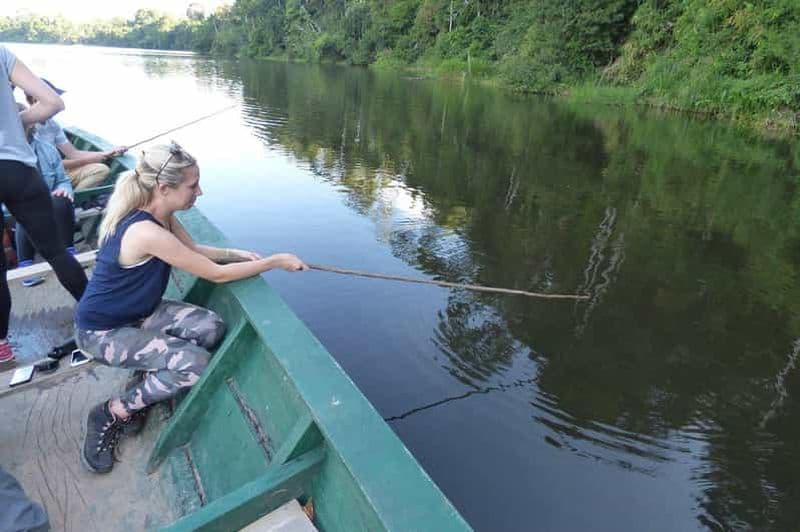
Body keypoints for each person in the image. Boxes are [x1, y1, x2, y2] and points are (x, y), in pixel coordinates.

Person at [75, 141, 308, 474]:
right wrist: (274, 262)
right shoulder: (145, 231)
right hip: (101, 333)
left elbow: (195, 249)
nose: (200, 191)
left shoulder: (161, 214)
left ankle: (149, 372)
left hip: (137, 316)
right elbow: (214, 275)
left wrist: (238, 253)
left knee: (210, 327)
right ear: (165, 188)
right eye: (192, 185)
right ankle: (114, 411)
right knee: (195, 364)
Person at [0, 45, 88, 371]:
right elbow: (53, 102)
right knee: (56, 251)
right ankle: (99, 316)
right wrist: (15, 120)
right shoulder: (2, 54)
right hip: (19, 169)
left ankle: (2, 349)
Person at [25, 79, 127, 191]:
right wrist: (88, 160)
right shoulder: (25, 126)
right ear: (36, 100)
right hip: (37, 178)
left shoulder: (53, 125)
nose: (58, 107)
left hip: (56, 174)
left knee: (101, 169)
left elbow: (73, 153)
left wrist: (107, 153)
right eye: (55, 100)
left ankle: (70, 197)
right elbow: (45, 166)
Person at [15, 106, 76, 266]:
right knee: (24, 209)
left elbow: (62, 180)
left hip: (47, 199)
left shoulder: (47, 148)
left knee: (62, 199)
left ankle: (69, 253)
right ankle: (25, 264)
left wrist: (65, 189)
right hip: (15, 205)